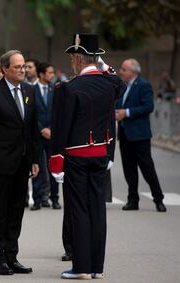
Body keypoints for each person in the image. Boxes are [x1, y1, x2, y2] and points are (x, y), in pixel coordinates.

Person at [49, 33, 125, 279]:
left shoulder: (68, 88)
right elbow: (120, 83)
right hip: (101, 153)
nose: (72, 61)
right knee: (97, 210)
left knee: (78, 210)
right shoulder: (109, 83)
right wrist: (104, 65)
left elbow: (60, 128)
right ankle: (97, 268)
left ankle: (81, 267)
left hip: (75, 156)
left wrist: (56, 161)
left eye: (73, 57)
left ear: (77, 58)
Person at [0, 50, 39, 276]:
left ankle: (12, 256)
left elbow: (31, 129)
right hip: (1, 164)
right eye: (17, 67)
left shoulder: (29, 91)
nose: (22, 70)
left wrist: (34, 160)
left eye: (24, 66)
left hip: (23, 163)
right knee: (0, 212)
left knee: (16, 211)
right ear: (4, 69)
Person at [116, 58, 167, 212]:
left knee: (147, 168)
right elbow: (118, 104)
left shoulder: (143, 85)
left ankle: (158, 199)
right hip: (125, 134)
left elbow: (148, 106)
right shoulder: (123, 86)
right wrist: (116, 111)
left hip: (140, 135)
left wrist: (127, 112)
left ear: (133, 72)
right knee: (129, 169)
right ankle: (133, 200)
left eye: (124, 69)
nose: (121, 71)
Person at [31, 62, 60, 210]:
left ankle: (54, 198)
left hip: (52, 135)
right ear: (41, 74)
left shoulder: (55, 90)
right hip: (37, 135)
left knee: (53, 167)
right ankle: (36, 199)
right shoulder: (31, 90)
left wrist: (51, 129)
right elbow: (30, 113)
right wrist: (42, 129)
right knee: (36, 166)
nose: (52, 75)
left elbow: (59, 113)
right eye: (49, 73)